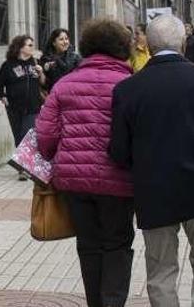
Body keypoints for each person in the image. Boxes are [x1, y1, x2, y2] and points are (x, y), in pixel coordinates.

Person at [110, 15, 194, 307]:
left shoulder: (128, 89)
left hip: (154, 191)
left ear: (147, 45)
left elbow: (118, 151)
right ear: (182, 43)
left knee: (161, 269)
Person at [35, 19, 134, 307]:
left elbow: (45, 138)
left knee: (88, 245)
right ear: (121, 48)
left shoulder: (64, 85)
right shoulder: (129, 84)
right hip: (120, 182)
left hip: (74, 181)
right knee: (117, 244)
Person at [0, 35, 46, 148]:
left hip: (33, 107)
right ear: (21, 47)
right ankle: (22, 164)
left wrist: (41, 72)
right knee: (18, 138)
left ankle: (28, 163)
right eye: (30, 45)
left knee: (28, 137)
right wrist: (2, 97)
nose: (33, 47)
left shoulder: (35, 63)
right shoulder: (8, 65)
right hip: (14, 108)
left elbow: (43, 83)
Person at [40, 28, 81, 92]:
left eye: (66, 39)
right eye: (61, 39)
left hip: (72, 94)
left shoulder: (76, 58)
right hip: (54, 94)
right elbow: (45, 83)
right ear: (54, 43)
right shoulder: (46, 58)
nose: (65, 42)